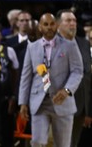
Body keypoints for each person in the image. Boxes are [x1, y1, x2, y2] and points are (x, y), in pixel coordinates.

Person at [18, 13, 84, 147]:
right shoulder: (32, 47)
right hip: (39, 102)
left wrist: (67, 90)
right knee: (37, 142)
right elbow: (26, 76)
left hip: (62, 101)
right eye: (45, 24)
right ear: (40, 27)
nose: (49, 27)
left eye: (52, 24)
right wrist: (23, 102)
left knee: (63, 144)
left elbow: (77, 71)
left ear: (57, 26)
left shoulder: (70, 45)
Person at [56, 9, 92, 147]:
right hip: (58, 104)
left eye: (74, 21)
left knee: (72, 144)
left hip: (80, 106)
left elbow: (88, 78)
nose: (72, 24)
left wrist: (89, 110)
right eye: (68, 20)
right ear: (58, 24)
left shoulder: (83, 43)